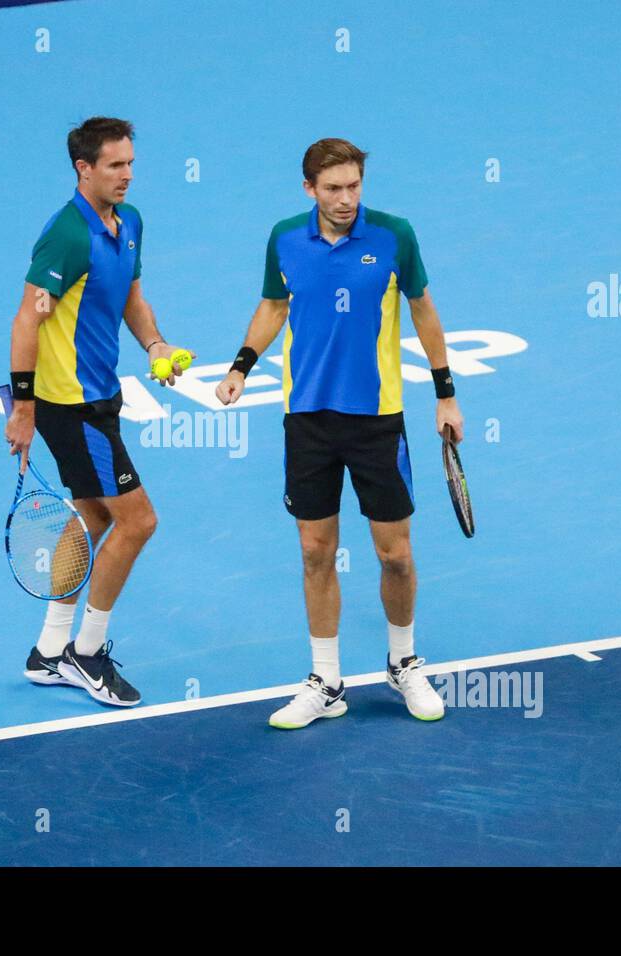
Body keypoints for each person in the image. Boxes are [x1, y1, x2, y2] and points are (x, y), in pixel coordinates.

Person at [216, 138, 461, 728]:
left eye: (354, 186)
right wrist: (241, 365)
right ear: (309, 190)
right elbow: (274, 305)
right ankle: (325, 681)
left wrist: (446, 392)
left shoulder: (394, 235)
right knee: (314, 551)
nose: (347, 198)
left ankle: (403, 662)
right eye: (333, 188)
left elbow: (424, 310)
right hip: (308, 418)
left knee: (394, 554)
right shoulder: (284, 238)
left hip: (378, 419)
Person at [5, 116, 194, 707]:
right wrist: (23, 408)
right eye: (115, 165)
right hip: (70, 407)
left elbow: (132, 298)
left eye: (131, 163)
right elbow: (26, 320)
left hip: (101, 396)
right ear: (83, 168)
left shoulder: (129, 222)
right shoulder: (66, 235)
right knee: (138, 521)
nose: (127, 175)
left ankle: (47, 651)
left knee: (93, 520)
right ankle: (85, 653)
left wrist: (156, 345)